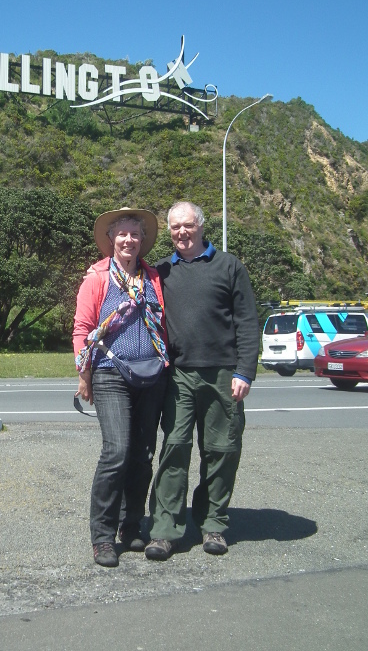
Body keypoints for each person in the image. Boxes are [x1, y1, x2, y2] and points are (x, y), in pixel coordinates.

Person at [145, 201, 259, 560]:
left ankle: (213, 524)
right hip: (178, 374)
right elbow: (125, 280)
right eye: (175, 227)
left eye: (188, 225)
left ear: (201, 226)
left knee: (221, 451)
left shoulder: (229, 266)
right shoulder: (161, 270)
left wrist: (244, 371)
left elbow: (247, 322)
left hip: (224, 375)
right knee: (175, 448)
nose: (181, 232)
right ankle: (165, 530)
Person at [73, 207, 169, 567]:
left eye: (135, 234)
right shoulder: (97, 278)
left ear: (143, 240)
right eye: (123, 234)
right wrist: (84, 375)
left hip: (152, 375)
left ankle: (131, 526)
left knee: (143, 455)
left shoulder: (153, 277)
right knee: (117, 451)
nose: (129, 239)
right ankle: (102, 536)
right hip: (111, 372)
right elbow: (82, 330)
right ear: (111, 239)